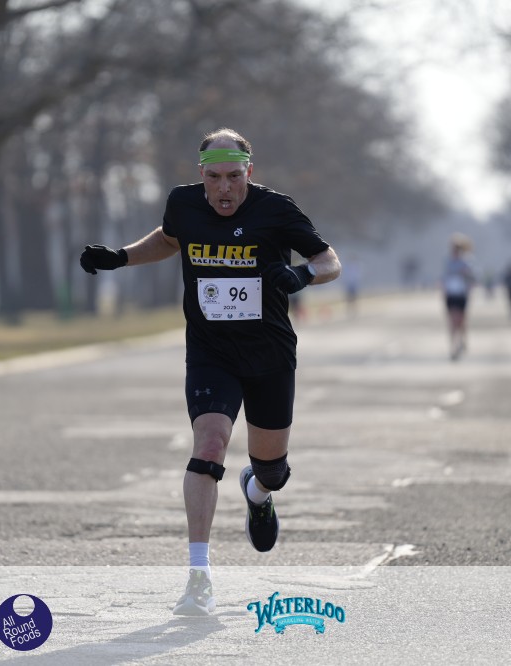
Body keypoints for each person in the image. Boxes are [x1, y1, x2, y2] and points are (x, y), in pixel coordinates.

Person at [79, 128, 341, 616]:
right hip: (210, 352)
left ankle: (257, 493)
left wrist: (302, 275)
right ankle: (198, 577)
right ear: (201, 174)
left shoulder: (276, 209)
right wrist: (121, 258)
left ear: (249, 172)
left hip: (268, 354)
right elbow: (169, 239)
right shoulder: (183, 203)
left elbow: (329, 260)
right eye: (214, 177)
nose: (224, 188)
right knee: (210, 444)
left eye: (234, 177)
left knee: (273, 470)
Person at [441, 234, 476, 360]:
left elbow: (473, 278)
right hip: (451, 294)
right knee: (452, 321)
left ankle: (462, 340)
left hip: (462, 294)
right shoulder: (447, 261)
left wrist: (466, 275)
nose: (455, 250)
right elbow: (443, 278)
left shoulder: (466, 262)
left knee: (461, 320)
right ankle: (453, 347)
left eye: (457, 248)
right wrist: (443, 290)